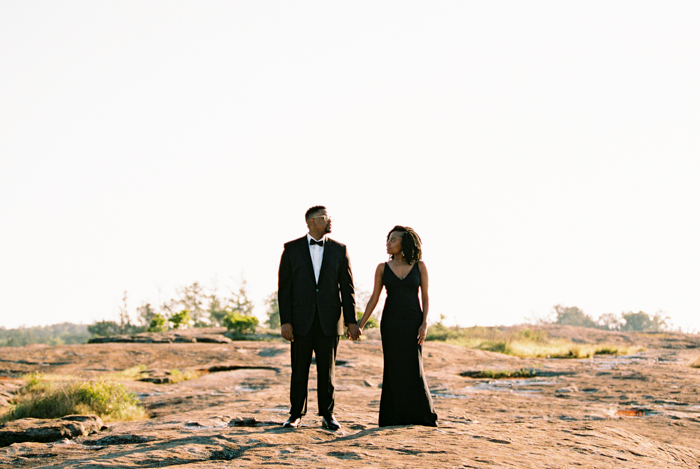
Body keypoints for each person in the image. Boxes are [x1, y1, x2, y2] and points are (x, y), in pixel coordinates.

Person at [277, 205, 360, 431]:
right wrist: (286, 321)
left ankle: (328, 415)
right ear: (311, 222)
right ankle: (295, 415)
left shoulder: (340, 250)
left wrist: (351, 322)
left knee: (327, 371)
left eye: (329, 217)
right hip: (300, 321)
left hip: (330, 320)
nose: (329, 221)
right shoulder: (291, 249)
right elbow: (284, 288)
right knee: (299, 370)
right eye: (325, 218)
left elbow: (348, 288)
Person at [356, 225, 438, 427]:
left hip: (413, 321)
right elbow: (374, 298)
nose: (388, 243)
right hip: (391, 322)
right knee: (393, 367)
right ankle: (393, 416)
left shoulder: (420, 266)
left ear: (405, 243)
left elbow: (425, 298)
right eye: (388, 239)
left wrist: (424, 323)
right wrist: (361, 325)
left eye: (394, 239)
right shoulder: (382, 268)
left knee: (413, 365)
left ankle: (421, 415)